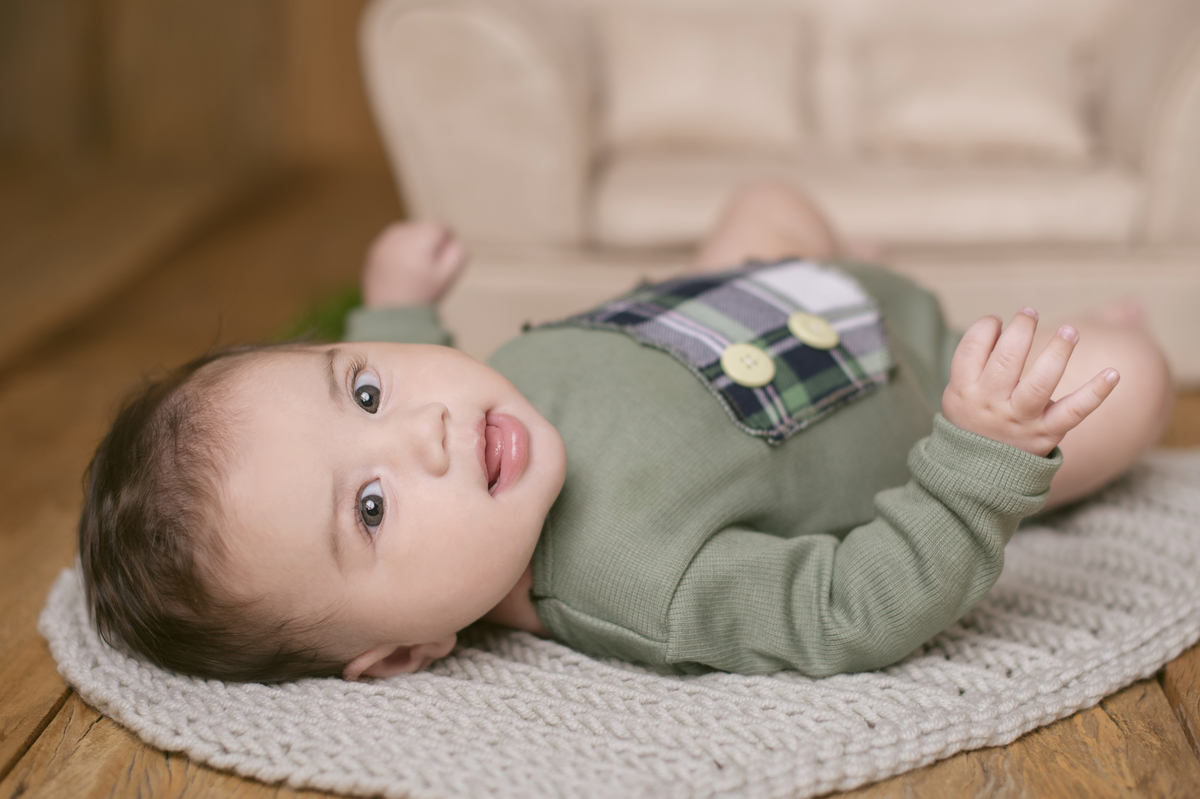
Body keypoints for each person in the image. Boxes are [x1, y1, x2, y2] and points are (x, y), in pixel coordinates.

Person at [78, 182, 1174, 683]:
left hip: (777, 290)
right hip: (932, 392)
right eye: (370, 509)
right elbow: (849, 611)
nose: (424, 435)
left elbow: (405, 371)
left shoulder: (469, 408)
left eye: (362, 390)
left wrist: (394, 304)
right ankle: (1081, 368)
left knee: (762, 202)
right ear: (406, 651)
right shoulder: (632, 581)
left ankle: (834, 251)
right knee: (1133, 382)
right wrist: (979, 458)